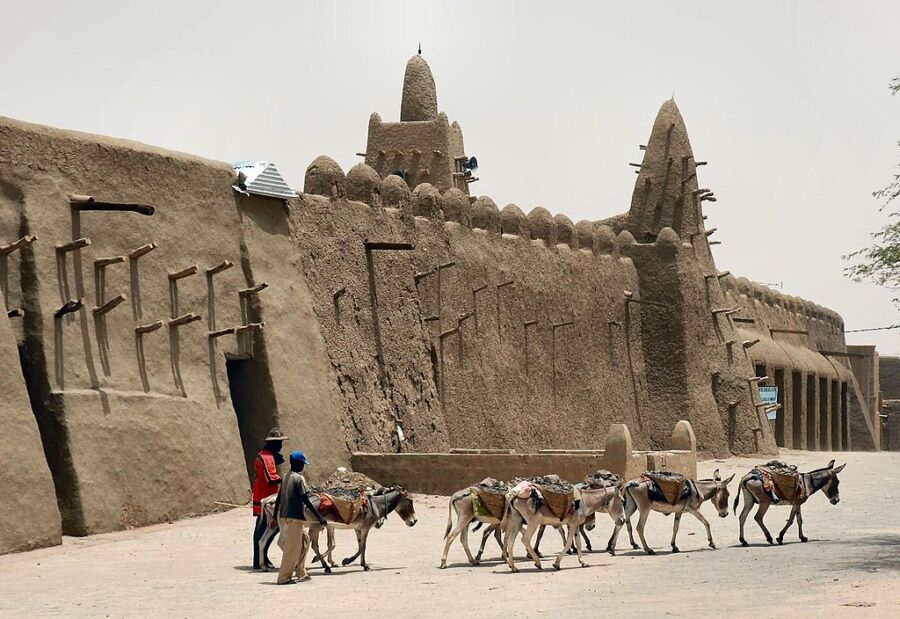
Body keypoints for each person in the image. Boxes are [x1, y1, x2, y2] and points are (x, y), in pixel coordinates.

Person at [273, 450, 327, 584]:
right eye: (302, 464)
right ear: (297, 463)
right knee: (292, 549)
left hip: (285, 516)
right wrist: (320, 517)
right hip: (295, 518)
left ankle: (301, 571)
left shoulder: (286, 476)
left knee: (305, 541)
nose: (303, 466)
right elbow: (306, 499)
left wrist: (275, 516)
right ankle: (283, 578)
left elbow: (279, 498)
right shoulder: (299, 479)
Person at [251, 428, 288, 570]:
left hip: (263, 494)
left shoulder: (265, 455)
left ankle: (262, 557)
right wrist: (286, 480)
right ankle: (259, 559)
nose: (281, 445)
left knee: (265, 529)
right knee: (265, 529)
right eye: (279, 443)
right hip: (266, 497)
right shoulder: (267, 458)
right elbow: (271, 478)